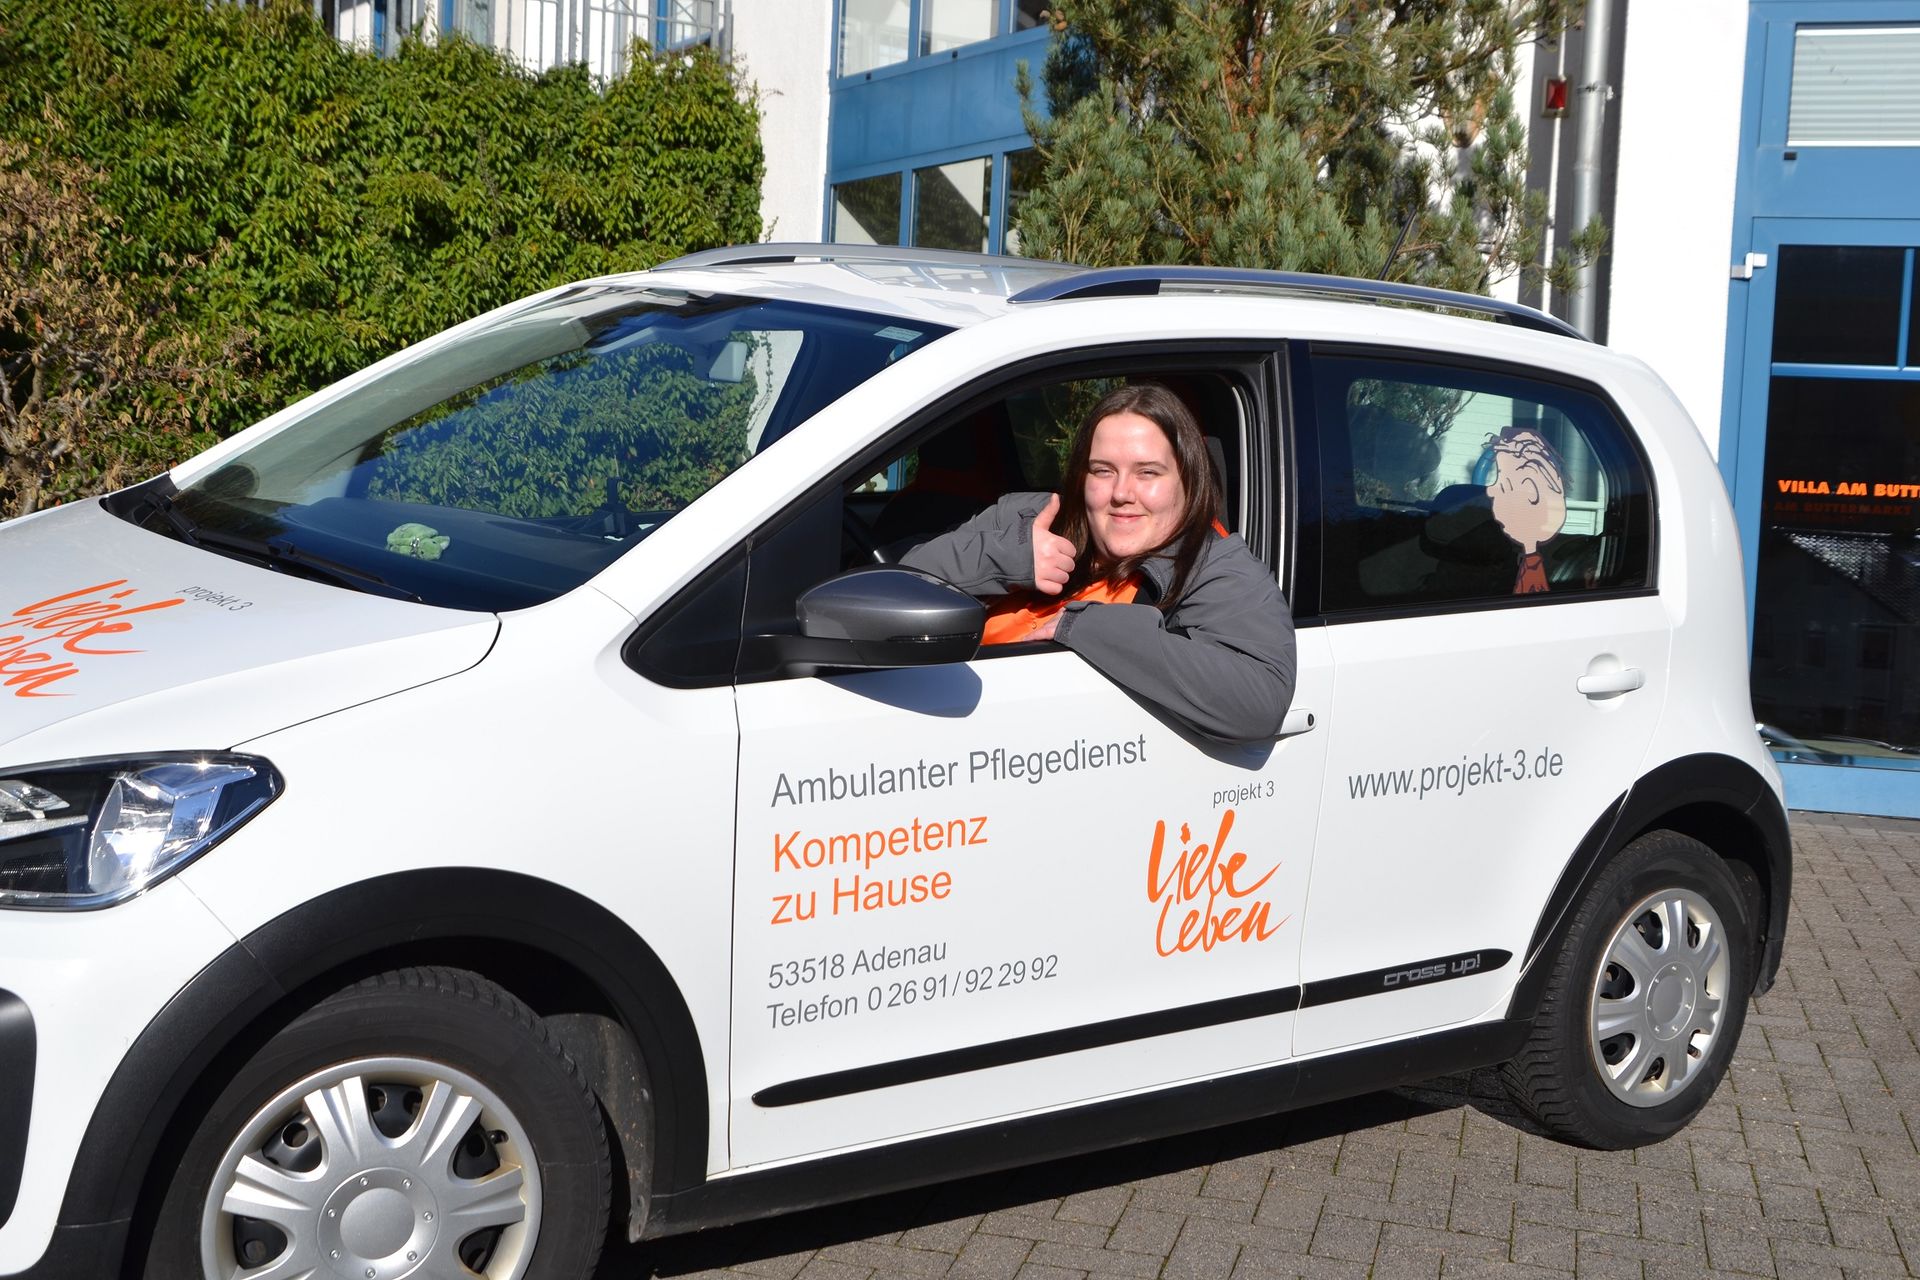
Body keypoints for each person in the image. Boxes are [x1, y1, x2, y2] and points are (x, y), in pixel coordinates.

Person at [901, 383, 1296, 745]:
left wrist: (1085, 627)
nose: (1121, 493)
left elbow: (1260, 700)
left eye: (1147, 473)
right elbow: (900, 585)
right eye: (1103, 471)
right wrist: (1007, 559)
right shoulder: (1028, 520)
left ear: (1188, 481)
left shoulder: (1211, 566)